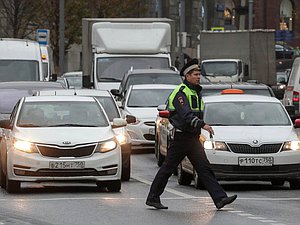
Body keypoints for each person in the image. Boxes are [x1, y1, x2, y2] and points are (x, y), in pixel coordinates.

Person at [146, 58, 237, 210]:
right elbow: (186, 115)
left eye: (199, 74)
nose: (198, 77)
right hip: (182, 138)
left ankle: (220, 199)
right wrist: (203, 125)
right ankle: (153, 197)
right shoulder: (180, 93)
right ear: (187, 76)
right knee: (168, 169)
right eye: (195, 74)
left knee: (204, 168)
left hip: (192, 138)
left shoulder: (195, 92)